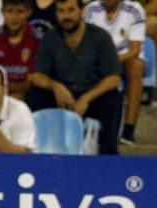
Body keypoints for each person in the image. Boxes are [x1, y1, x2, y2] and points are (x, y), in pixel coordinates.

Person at [27, 0, 122, 154]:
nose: (66, 16)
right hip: (61, 98)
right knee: (36, 95)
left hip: (92, 97)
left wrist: (86, 98)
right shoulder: (50, 38)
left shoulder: (100, 37)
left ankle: (108, 159)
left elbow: (114, 78)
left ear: (81, 10)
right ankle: (38, 153)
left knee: (112, 99)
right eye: (61, 11)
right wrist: (55, 86)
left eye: (71, 10)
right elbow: (37, 76)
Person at [82, 0, 146, 144]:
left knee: (136, 66)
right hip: (98, 57)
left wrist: (111, 60)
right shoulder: (91, 10)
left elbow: (135, 49)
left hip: (125, 57)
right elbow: (85, 42)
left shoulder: (134, 10)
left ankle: (129, 129)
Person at [0, 0, 41, 100]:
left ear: (29, 12)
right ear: (2, 11)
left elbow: (34, 81)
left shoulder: (38, 40)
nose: (14, 17)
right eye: (9, 11)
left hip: (29, 98)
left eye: (20, 11)